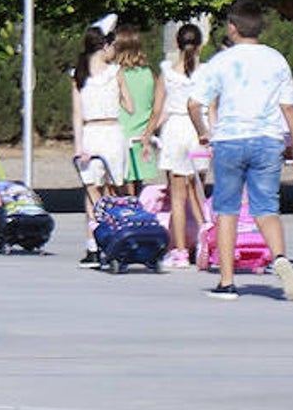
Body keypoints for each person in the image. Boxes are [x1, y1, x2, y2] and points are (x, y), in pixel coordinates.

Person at [187, 0, 293, 301]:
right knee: (266, 207)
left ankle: (227, 282)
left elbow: (194, 103)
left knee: (226, 211)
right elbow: (289, 107)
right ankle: (279, 257)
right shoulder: (276, 59)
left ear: (232, 28)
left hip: (229, 139)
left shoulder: (221, 62)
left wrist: (203, 131)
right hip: (267, 140)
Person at [141, 23, 207, 269]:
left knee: (177, 197)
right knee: (198, 192)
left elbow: (158, 110)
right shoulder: (205, 73)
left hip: (175, 132)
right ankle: (204, 241)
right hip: (197, 130)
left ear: (177, 45)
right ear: (200, 45)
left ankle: (180, 251)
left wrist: (147, 134)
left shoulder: (167, 73)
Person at [72, 16, 134, 268]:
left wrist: (78, 146)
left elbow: (76, 113)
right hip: (111, 131)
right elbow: (130, 106)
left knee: (91, 190)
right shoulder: (114, 73)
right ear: (106, 46)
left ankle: (93, 244)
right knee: (114, 188)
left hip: (90, 133)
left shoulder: (79, 73)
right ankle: (113, 236)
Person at [115, 23, 157, 195]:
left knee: (123, 181)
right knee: (137, 180)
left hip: (123, 129)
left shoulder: (117, 74)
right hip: (142, 131)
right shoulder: (148, 73)